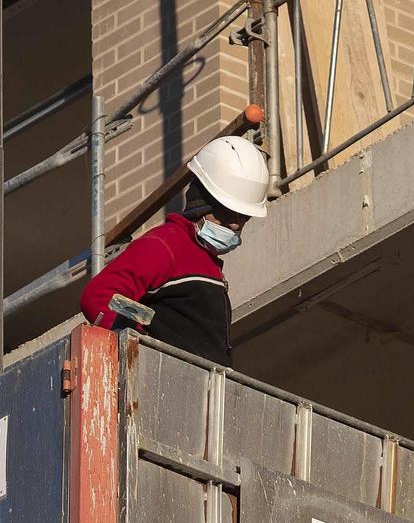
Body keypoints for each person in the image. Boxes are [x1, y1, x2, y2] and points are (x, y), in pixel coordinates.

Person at [78, 135, 270, 367]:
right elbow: (98, 296)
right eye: (229, 213)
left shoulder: (206, 262)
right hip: (165, 386)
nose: (236, 225)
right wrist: (144, 341)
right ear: (203, 202)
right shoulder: (165, 245)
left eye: (244, 217)